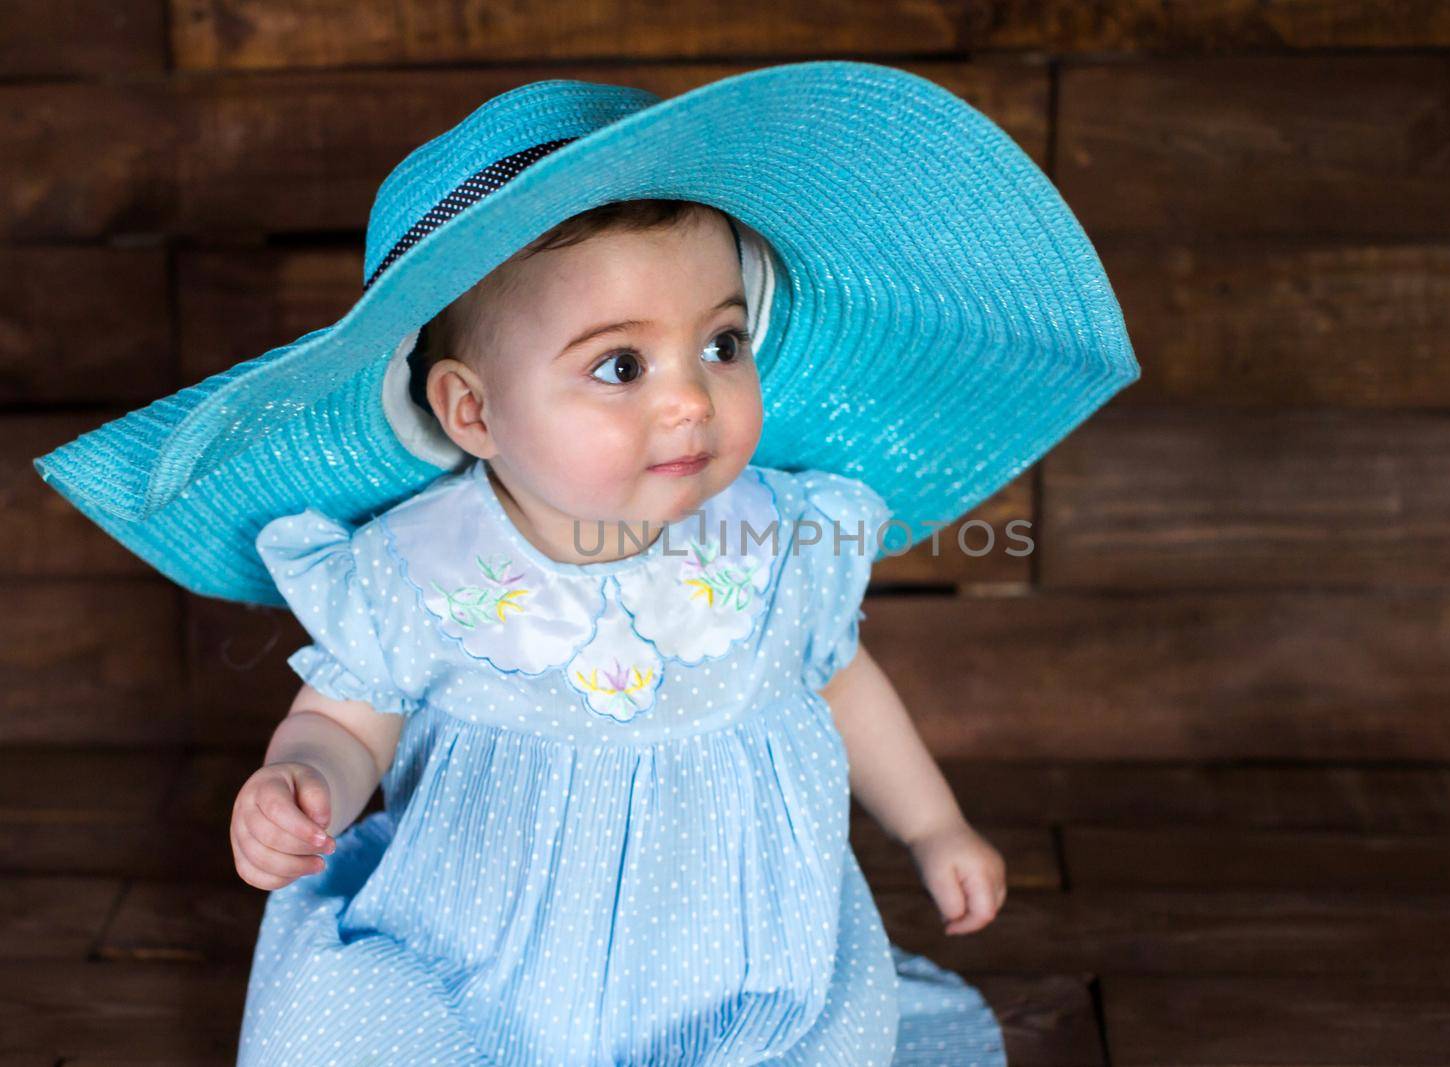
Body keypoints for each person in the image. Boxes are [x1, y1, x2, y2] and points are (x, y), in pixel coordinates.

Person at [32, 62, 1139, 1065]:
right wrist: (307, 778)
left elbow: (841, 678)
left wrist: (932, 822)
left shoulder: (777, 535)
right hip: (480, 954)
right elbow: (351, 712)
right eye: (619, 363)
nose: (687, 396)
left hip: (737, 953)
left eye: (720, 343)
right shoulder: (418, 565)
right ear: (472, 411)